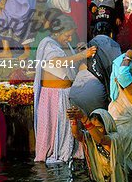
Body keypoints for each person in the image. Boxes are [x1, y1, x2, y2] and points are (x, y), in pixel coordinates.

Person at [34, 14, 97, 163]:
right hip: (52, 95)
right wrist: (81, 54)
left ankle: (70, 152)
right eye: (67, 36)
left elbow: (68, 61)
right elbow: (57, 62)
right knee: (53, 129)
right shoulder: (48, 43)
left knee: (68, 128)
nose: (69, 39)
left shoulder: (61, 44)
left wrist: (77, 51)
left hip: (65, 93)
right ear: (57, 32)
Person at [67, 107, 127, 182]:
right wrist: (73, 119)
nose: (94, 130)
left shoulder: (114, 138)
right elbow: (77, 135)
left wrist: (84, 118)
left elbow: (101, 139)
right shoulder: (91, 137)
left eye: (99, 127)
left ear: (107, 126)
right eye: (92, 127)